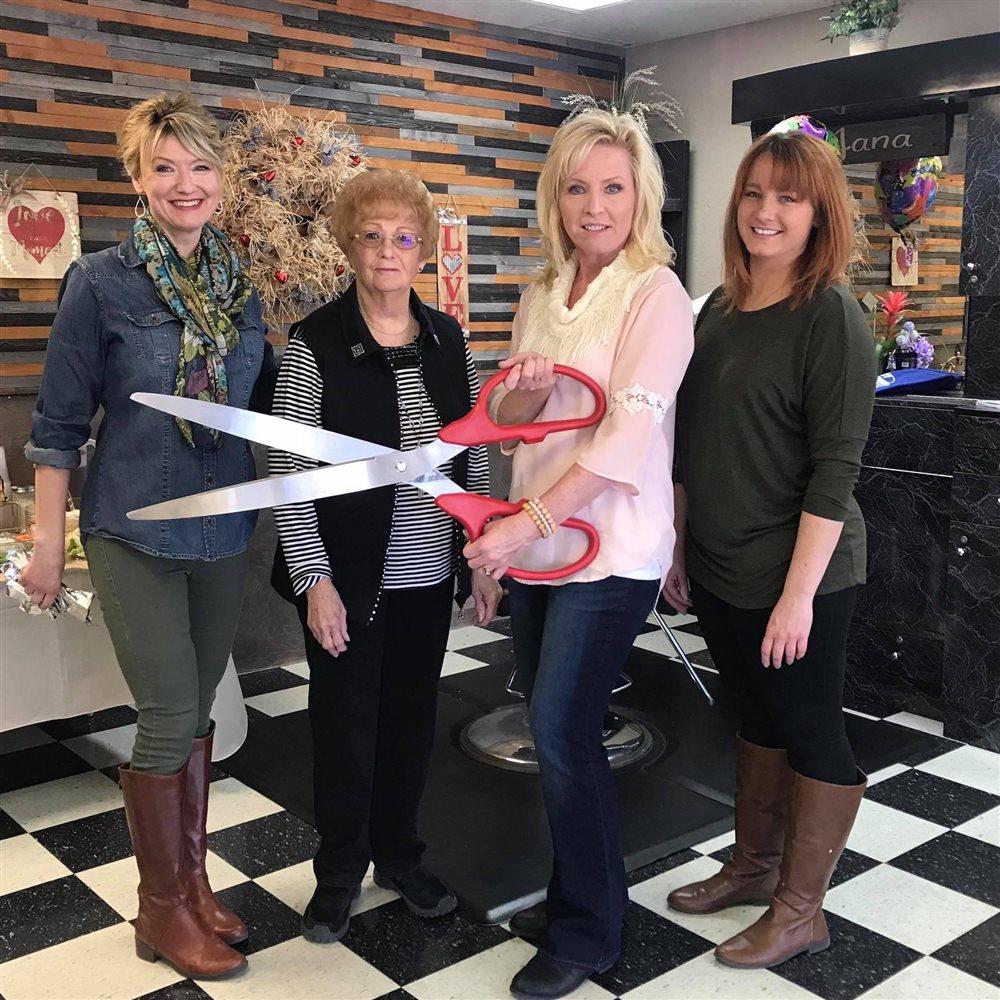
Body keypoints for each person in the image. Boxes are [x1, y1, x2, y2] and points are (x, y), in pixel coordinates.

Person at [20, 92, 274, 980]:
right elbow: (57, 426)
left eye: (200, 165)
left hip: (223, 529)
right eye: (164, 167)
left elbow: (260, 405)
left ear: (222, 178)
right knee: (167, 713)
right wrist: (46, 546)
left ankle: (192, 887)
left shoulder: (241, 286)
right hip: (132, 531)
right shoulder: (100, 282)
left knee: (197, 710)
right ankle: (159, 908)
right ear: (137, 177)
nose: (184, 183)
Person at [463, 109, 693, 999]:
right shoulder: (542, 295)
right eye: (577, 188)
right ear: (555, 199)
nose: (595, 206)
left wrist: (523, 524)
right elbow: (518, 424)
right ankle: (575, 899)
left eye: (613, 188)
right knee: (552, 727)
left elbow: (626, 439)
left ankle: (591, 932)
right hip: (543, 547)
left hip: (612, 550)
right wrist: (522, 396)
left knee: (563, 729)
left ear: (641, 198)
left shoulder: (655, 295)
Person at [269, 168, 502, 944]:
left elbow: (474, 451)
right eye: (371, 236)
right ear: (349, 245)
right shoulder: (315, 344)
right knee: (344, 729)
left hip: (426, 578)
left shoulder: (448, 341)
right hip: (347, 579)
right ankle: (339, 872)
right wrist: (314, 580)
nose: (387, 251)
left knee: (410, 724)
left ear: (423, 249)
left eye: (403, 237)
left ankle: (400, 857)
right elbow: (289, 470)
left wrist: (480, 558)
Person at [663, 128, 874, 970]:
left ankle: (800, 910)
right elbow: (688, 447)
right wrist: (680, 547)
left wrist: (796, 597)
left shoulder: (830, 316)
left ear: (819, 213)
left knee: (811, 731)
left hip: (803, 578)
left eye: (788, 197)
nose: (766, 211)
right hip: (720, 567)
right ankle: (752, 868)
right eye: (754, 192)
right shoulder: (717, 308)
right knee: (753, 720)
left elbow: (835, 471)